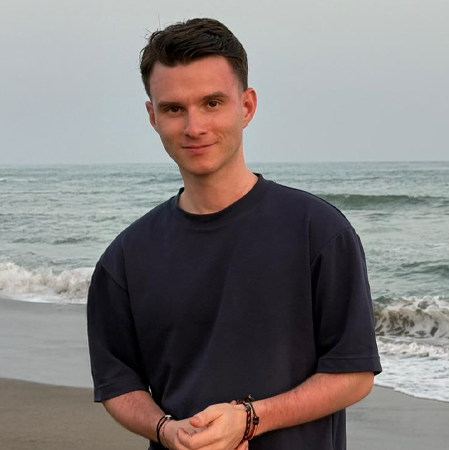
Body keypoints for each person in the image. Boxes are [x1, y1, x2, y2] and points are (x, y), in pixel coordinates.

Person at [87, 18, 382, 450]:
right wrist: (167, 430)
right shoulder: (125, 258)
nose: (194, 127)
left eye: (212, 103)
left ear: (246, 106)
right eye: (174, 109)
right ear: (152, 116)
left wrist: (249, 420)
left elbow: (353, 373)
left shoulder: (318, 231)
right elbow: (118, 383)